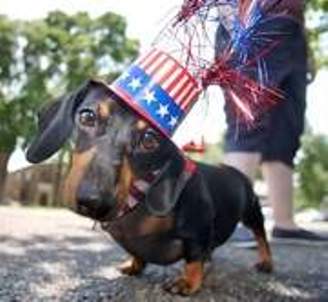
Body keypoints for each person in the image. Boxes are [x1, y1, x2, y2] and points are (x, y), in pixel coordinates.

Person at [216, 0, 326, 243]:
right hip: (250, 20)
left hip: (291, 30)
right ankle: (229, 221)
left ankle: (285, 223)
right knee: (247, 120)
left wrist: (304, 46)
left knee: (285, 131)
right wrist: (234, 20)